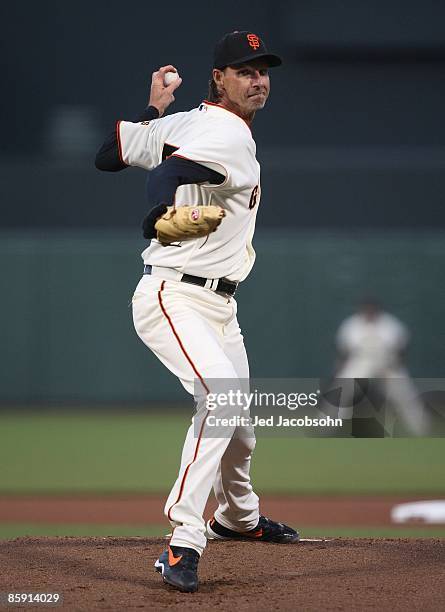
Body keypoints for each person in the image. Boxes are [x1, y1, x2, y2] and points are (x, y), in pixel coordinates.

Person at [95, 31, 299, 594]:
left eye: (263, 70)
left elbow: (110, 155)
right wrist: (158, 214)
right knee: (224, 399)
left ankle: (239, 518)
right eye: (244, 71)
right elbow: (165, 178)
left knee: (241, 429)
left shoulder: (186, 122)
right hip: (174, 295)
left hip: (217, 303)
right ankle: (184, 541)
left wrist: (154, 109)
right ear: (220, 78)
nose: (258, 79)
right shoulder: (225, 134)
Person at [334, 298, 430, 435]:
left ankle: (421, 429)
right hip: (361, 361)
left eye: (372, 309)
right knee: (342, 390)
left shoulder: (390, 324)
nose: (369, 312)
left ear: (377, 309)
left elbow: (401, 348)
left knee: (405, 395)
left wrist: (397, 364)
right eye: (366, 309)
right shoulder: (352, 324)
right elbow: (343, 350)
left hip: (387, 363)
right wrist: (341, 367)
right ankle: (329, 427)